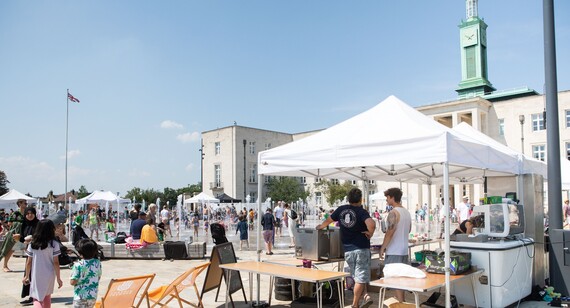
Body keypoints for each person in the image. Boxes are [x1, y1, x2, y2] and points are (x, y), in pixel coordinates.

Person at [316, 188, 375, 308]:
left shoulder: (341, 209)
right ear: (360, 199)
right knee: (360, 277)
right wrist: (370, 232)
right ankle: (355, 304)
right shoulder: (361, 211)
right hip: (361, 248)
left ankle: (365, 296)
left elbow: (328, 220)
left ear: (348, 199)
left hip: (348, 249)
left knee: (357, 276)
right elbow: (372, 224)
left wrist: (321, 226)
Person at [379, 187, 412, 303]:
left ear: (392, 197)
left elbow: (390, 232)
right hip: (403, 250)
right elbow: (409, 230)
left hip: (394, 250)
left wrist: (382, 247)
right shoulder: (406, 212)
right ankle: (401, 302)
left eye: (387, 198)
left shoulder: (393, 213)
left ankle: (401, 303)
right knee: (401, 279)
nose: (386, 200)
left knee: (395, 280)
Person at [23, 219, 63, 307]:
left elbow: (29, 262)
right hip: (49, 274)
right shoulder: (54, 244)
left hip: (36, 274)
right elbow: (56, 262)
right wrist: (59, 278)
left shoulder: (32, 244)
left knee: (36, 298)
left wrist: (26, 276)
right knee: (47, 296)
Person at [70, 239, 102, 308]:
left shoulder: (78, 265)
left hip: (80, 297)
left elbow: (73, 282)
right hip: (92, 295)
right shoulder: (97, 263)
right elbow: (98, 277)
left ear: (80, 253)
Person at [18, 207, 40, 305]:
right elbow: (22, 239)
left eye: (31, 213)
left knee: (34, 272)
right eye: (27, 213)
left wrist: (33, 239)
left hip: (38, 251)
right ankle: (31, 294)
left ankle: (34, 295)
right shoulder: (24, 224)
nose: (29, 215)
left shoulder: (39, 224)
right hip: (29, 251)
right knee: (29, 272)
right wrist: (22, 240)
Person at [3, 198, 27, 272]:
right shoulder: (16, 213)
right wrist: (19, 224)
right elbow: (9, 223)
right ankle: (5, 266)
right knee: (11, 250)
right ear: (20, 204)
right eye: (24, 203)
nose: (26, 205)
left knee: (27, 249)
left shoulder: (26, 213)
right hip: (15, 234)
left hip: (23, 234)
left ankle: (31, 266)